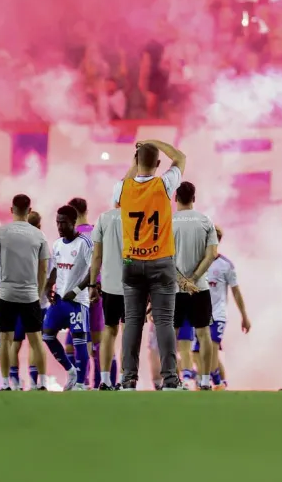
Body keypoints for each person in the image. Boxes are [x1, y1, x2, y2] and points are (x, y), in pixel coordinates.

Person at [115, 138, 186, 390]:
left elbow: (124, 186)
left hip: (132, 261)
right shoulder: (164, 184)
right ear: (158, 163)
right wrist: (154, 141)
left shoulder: (122, 188)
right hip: (160, 261)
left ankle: (128, 379)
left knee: (133, 322)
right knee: (164, 322)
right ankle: (170, 379)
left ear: (136, 162)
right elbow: (180, 158)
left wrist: (136, 158)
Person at [0, 194, 50, 392]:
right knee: (36, 340)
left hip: (6, 293)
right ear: (29, 211)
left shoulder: (0, 232)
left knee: (5, 340)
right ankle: (42, 382)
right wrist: (38, 292)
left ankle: (5, 383)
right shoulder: (39, 235)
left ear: (11, 209)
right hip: (30, 295)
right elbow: (43, 269)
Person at [193, 225, 251, 389]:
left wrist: (244, 316)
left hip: (218, 315)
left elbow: (236, 291)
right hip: (198, 314)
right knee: (198, 353)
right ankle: (219, 382)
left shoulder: (226, 265)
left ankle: (215, 382)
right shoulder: (195, 262)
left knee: (211, 347)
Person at [173, 181, 218, 391]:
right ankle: (205, 380)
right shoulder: (205, 220)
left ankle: (172, 380)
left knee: (170, 335)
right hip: (200, 287)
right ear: (194, 198)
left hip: (174, 288)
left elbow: (163, 257)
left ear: (176, 198)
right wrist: (193, 279)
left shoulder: (169, 222)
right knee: (204, 333)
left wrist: (182, 281)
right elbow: (212, 254)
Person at [42, 205, 92, 390]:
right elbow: (55, 268)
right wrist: (49, 287)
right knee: (47, 336)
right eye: (57, 222)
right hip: (60, 300)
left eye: (63, 222)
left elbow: (93, 270)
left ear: (73, 222)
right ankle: (70, 371)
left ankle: (80, 383)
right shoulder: (57, 244)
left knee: (79, 342)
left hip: (77, 302)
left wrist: (77, 290)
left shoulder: (84, 243)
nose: (60, 226)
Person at [10, 211, 50, 390]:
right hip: (37, 302)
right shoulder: (42, 242)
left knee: (15, 342)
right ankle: (36, 381)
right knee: (36, 342)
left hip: (17, 300)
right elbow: (47, 273)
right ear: (40, 226)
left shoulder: (15, 243)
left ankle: (13, 380)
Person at [68, 197, 103, 389]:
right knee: (98, 342)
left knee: (77, 342)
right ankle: (99, 383)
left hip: (79, 294)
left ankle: (81, 382)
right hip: (98, 290)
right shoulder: (97, 231)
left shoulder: (73, 236)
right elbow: (100, 261)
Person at [89, 204, 122, 390]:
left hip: (110, 284)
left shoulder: (104, 218)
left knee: (109, 331)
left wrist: (93, 284)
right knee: (129, 332)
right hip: (132, 283)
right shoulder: (138, 214)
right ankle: (127, 380)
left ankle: (105, 379)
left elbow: (97, 256)